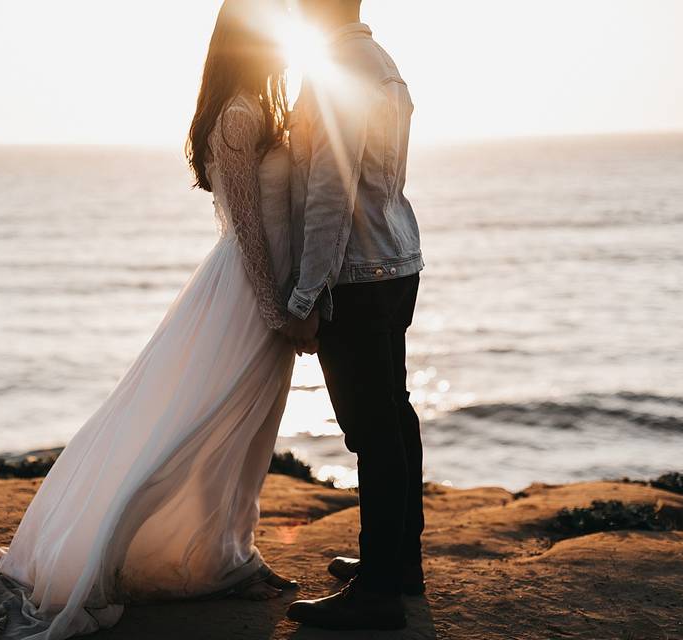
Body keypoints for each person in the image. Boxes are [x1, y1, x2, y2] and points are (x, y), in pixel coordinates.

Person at [0, 2, 305, 638]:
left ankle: (229, 554)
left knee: (247, 431)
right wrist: (274, 309)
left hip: (258, 291)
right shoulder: (238, 114)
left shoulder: (253, 107)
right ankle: (113, 550)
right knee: (196, 426)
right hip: (246, 296)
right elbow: (251, 232)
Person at [281, 0, 426, 631]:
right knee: (394, 413)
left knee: (372, 432)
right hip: (398, 261)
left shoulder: (336, 69)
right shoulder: (383, 63)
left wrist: (306, 297)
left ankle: (378, 596)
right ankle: (396, 566)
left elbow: (330, 193)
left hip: (358, 275)